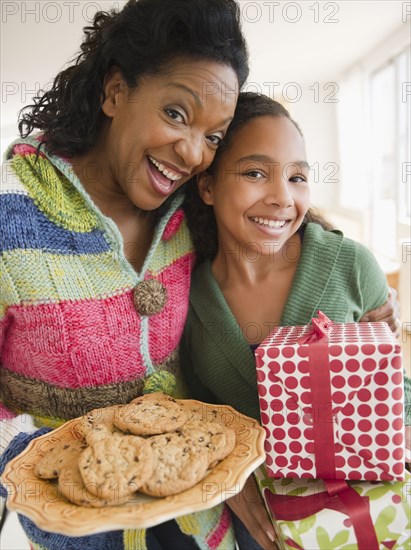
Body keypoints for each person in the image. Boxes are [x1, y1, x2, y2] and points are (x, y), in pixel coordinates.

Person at [0, 1, 249, 548]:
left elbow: (274, 217)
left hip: (203, 519)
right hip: (73, 529)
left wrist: (359, 281)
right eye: (177, 114)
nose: (192, 153)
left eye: (214, 135)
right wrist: (43, 464)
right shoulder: (10, 215)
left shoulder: (193, 211)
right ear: (115, 91)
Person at [181, 92, 411, 550]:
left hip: (367, 516)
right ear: (206, 186)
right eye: (254, 173)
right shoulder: (187, 297)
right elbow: (197, 414)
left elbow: (395, 394)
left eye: (298, 177)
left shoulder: (351, 266)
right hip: (255, 524)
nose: (282, 197)